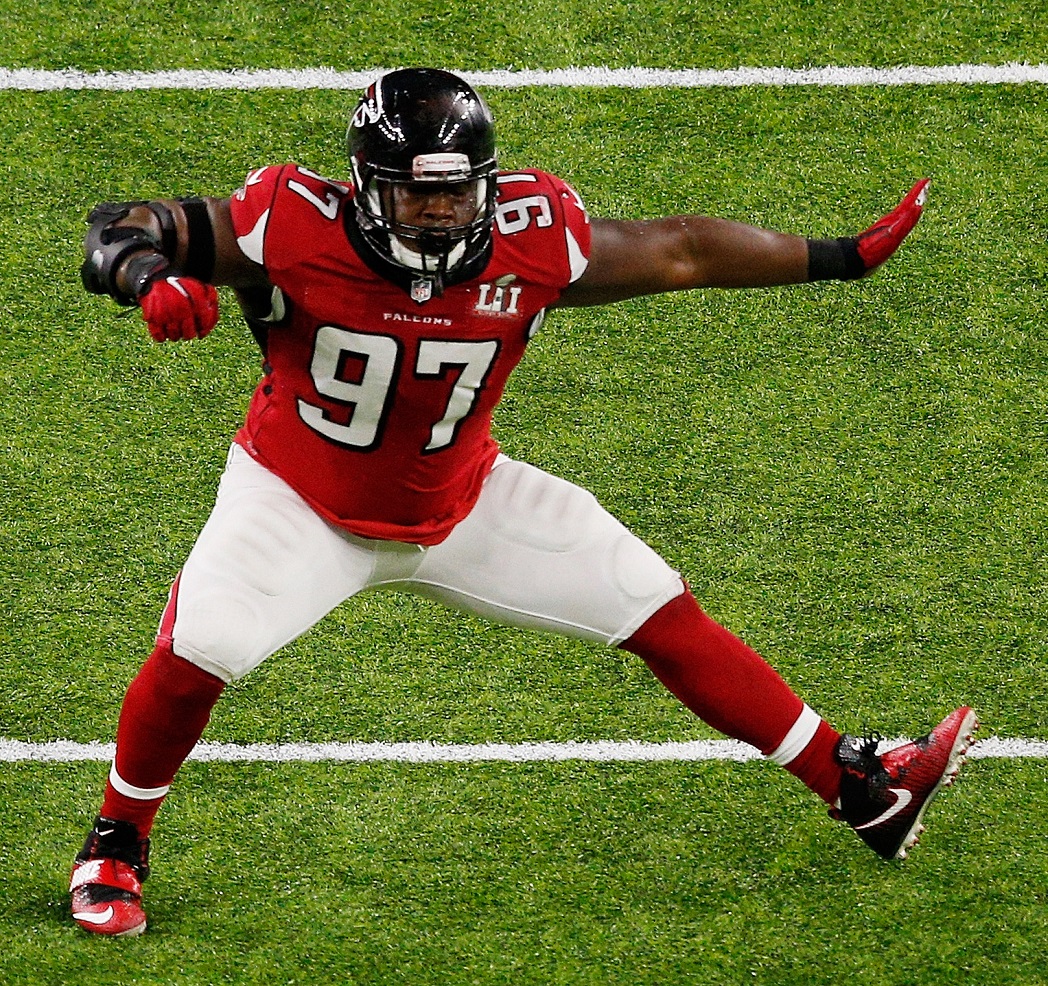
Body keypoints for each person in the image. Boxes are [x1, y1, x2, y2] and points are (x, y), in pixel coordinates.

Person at [69, 67, 977, 937]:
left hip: (463, 499)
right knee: (201, 649)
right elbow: (119, 227)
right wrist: (150, 278)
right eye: (415, 194)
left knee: (654, 604)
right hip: (298, 501)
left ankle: (865, 793)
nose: (440, 212)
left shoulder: (532, 237)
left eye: (457, 192)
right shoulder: (291, 223)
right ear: (364, 188)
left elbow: (683, 250)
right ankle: (115, 844)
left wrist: (840, 259)